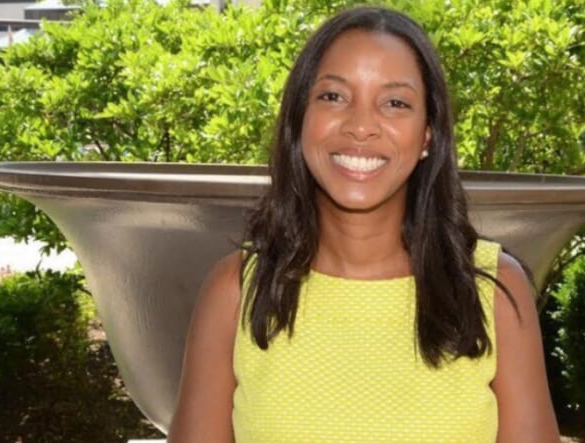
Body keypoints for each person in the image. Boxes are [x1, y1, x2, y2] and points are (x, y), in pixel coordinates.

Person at [169, 6, 559, 442]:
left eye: (395, 103)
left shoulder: (494, 292)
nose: (360, 127)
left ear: (427, 135)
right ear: (299, 119)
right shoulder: (236, 292)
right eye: (334, 96)